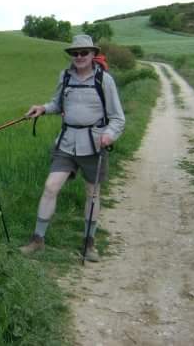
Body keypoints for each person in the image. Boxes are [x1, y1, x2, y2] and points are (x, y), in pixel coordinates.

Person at [20, 35, 125, 261]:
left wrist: (109, 135)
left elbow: (118, 118)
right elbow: (58, 104)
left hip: (95, 143)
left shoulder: (104, 80)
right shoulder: (65, 76)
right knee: (50, 187)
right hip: (66, 141)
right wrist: (43, 109)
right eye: (75, 53)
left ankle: (89, 243)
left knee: (92, 193)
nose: (79, 57)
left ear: (92, 55)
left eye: (83, 53)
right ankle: (37, 240)